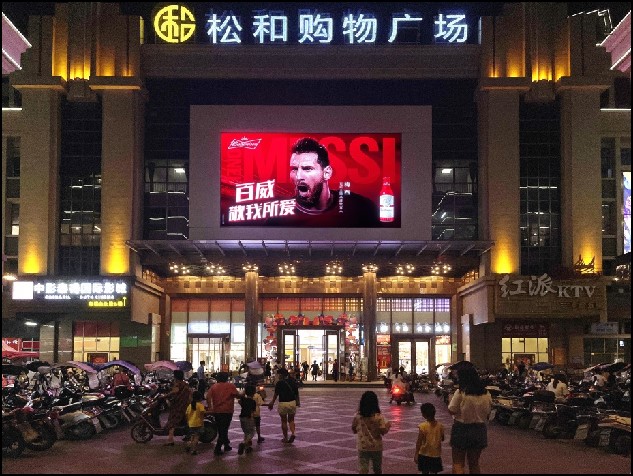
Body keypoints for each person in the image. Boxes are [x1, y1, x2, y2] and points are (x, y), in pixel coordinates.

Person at [267, 137, 379, 227]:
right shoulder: (278, 216)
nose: (298, 176)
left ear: (327, 173)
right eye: (294, 169)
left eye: (307, 168)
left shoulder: (361, 207)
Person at [447, 366, 493, 474]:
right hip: (479, 429)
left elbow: (452, 410)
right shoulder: (486, 393)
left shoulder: (461, 392)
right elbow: (488, 411)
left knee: (458, 463)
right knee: (474, 463)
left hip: (461, 428)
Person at [351, 390, 391, 474]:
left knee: (363, 469)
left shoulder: (358, 416)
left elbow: (354, 429)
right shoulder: (379, 417)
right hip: (376, 447)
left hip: (363, 446)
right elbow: (383, 431)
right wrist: (388, 425)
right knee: (377, 468)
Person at [206, 371, 240, 455]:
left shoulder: (214, 387)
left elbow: (208, 397)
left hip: (217, 411)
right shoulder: (230, 386)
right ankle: (218, 448)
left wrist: (210, 407)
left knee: (221, 428)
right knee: (224, 429)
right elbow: (237, 395)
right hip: (227, 410)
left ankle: (226, 444)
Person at [268, 367, 300, 443]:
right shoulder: (292, 381)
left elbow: (276, 394)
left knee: (284, 421)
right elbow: (296, 393)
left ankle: (285, 438)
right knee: (291, 420)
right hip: (292, 402)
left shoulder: (279, 383)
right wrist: (298, 402)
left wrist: (272, 402)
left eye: (279, 374)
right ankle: (293, 433)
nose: (278, 376)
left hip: (283, 403)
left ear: (281, 375)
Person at [163, 369, 192, 446]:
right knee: (185, 421)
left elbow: (174, 391)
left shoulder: (178, 384)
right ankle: (188, 435)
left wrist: (165, 396)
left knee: (172, 422)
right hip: (185, 405)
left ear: (175, 377)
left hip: (178, 406)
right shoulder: (185, 384)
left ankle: (170, 440)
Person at [415, 403, 445, 474]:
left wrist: (416, 453)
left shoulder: (423, 426)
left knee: (424, 471)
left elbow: (419, 441)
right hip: (436, 454)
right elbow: (442, 438)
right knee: (434, 472)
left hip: (424, 454)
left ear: (423, 414)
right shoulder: (440, 426)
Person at [185, 390, 208, 455]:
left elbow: (186, 414)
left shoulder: (190, 405)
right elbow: (202, 414)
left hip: (191, 424)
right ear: (200, 398)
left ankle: (188, 446)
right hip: (198, 424)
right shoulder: (200, 405)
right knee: (196, 437)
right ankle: (194, 450)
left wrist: (188, 421)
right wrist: (202, 423)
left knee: (192, 436)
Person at [237, 385, 257, 455]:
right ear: (254, 392)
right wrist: (253, 419)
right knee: (252, 432)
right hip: (248, 417)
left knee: (246, 432)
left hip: (241, 417)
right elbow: (252, 412)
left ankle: (247, 447)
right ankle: (244, 444)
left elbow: (239, 400)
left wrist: (243, 393)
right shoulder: (253, 402)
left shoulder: (243, 400)